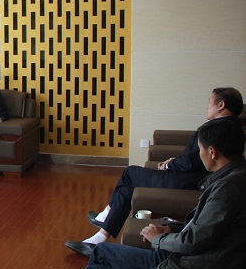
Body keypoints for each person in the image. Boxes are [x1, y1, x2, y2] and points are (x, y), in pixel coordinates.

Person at [15, 117, 246, 269]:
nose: (199, 155)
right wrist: (172, 228)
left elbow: (195, 241)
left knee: (99, 258)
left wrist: (158, 240)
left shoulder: (228, 190)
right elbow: (205, 230)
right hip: (191, 261)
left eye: (200, 150)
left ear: (212, 152)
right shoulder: (234, 176)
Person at [65, 87, 243, 257]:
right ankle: (100, 233)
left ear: (221, 105)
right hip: (187, 176)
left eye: (210, 102)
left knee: (130, 173)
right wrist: (174, 161)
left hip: (183, 180)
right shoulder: (231, 127)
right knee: (130, 185)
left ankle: (105, 219)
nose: (207, 106)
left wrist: (169, 165)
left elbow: (193, 161)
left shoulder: (219, 130)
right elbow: (195, 158)